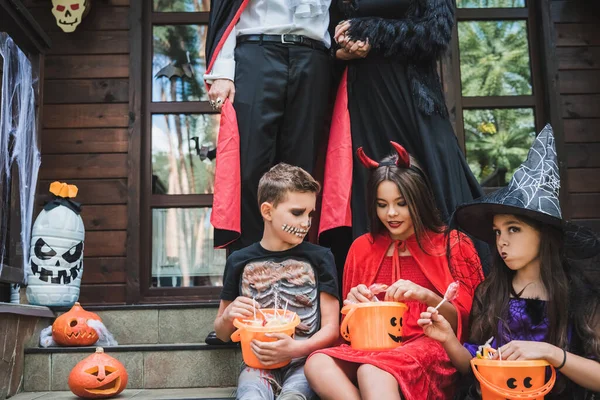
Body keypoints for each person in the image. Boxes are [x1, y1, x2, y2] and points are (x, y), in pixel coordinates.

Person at [418, 125, 600, 399]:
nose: (501, 240)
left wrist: (551, 353)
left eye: (513, 229)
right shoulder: (491, 292)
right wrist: (448, 340)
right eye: (497, 232)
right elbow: (474, 365)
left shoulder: (579, 295)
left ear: (544, 234)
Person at [305, 142, 484, 400]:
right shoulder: (362, 247)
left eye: (401, 203)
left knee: (372, 371)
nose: (390, 213)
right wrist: (355, 306)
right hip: (374, 346)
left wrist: (427, 297)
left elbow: (468, 325)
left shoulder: (452, 244)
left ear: (418, 199)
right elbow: (349, 329)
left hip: (431, 347)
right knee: (317, 364)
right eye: (381, 204)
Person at [319, 0, 483, 244]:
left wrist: (369, 29)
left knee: (432, 189)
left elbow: (435, 34)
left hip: (411, 98)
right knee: (371, 195)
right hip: (362, 99)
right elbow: (327, 39)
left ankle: (451, 272)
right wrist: (341, 52)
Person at [205, 0, 339, 250]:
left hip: (314, 56)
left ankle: (295, 265)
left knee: (304, 171)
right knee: (250, 168)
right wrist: (222, 70)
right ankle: (249, 266)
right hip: (257, 52)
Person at [214, 163, 340, 399]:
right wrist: (230, 315)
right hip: (256, 365)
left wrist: (297, 348)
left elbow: (332, 329)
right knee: (251, 395)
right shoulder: (239, 260)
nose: (306, 222)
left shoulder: (320, 258)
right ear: (267, 211)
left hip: (305, 362)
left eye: (310, 213)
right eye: (297, 212)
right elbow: (221, 332)